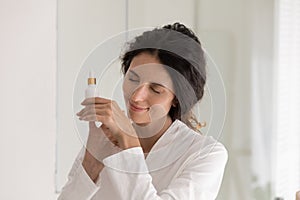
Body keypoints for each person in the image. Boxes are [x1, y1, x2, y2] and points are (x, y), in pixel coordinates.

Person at [58, 22, 228, 200]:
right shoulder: (104, 140)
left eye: (155, 89)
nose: (137, 96)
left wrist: (129, 141)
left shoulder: (205, 154)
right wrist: (91, 162)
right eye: (133, 78)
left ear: (177, 98)